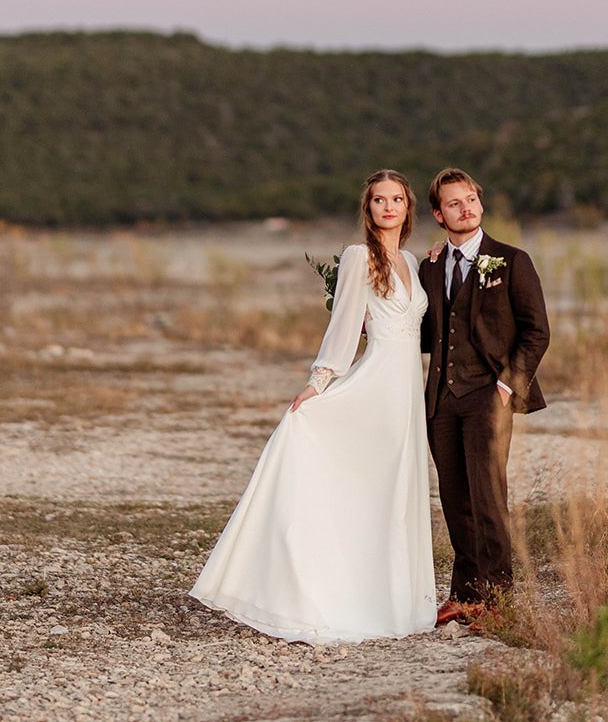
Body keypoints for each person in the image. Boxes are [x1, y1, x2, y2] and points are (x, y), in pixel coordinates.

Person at [190, 170, 436, 644]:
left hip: (405, 393)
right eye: (379, 200)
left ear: (409, 208)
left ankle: (393, 597)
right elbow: (343, 328)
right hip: (374, 385)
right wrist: (318, 383)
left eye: (397, 199)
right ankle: (316, 587)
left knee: (392, 487)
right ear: (367, 209)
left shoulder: (410, 260)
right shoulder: (357, 257)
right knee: (342, 467)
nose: (388, 207)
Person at [419, 168, 550, 625]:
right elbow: (425, 332)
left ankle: (496, 602)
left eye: (471, 198)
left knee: (489, 499)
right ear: (439, 214)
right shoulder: (431, 266)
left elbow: (537, 332)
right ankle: (465, 594)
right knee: (455, 500)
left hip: (487, 397)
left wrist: (506, 386)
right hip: (440, 400)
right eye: (454, 203)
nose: (467, 207)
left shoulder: (512, 260)